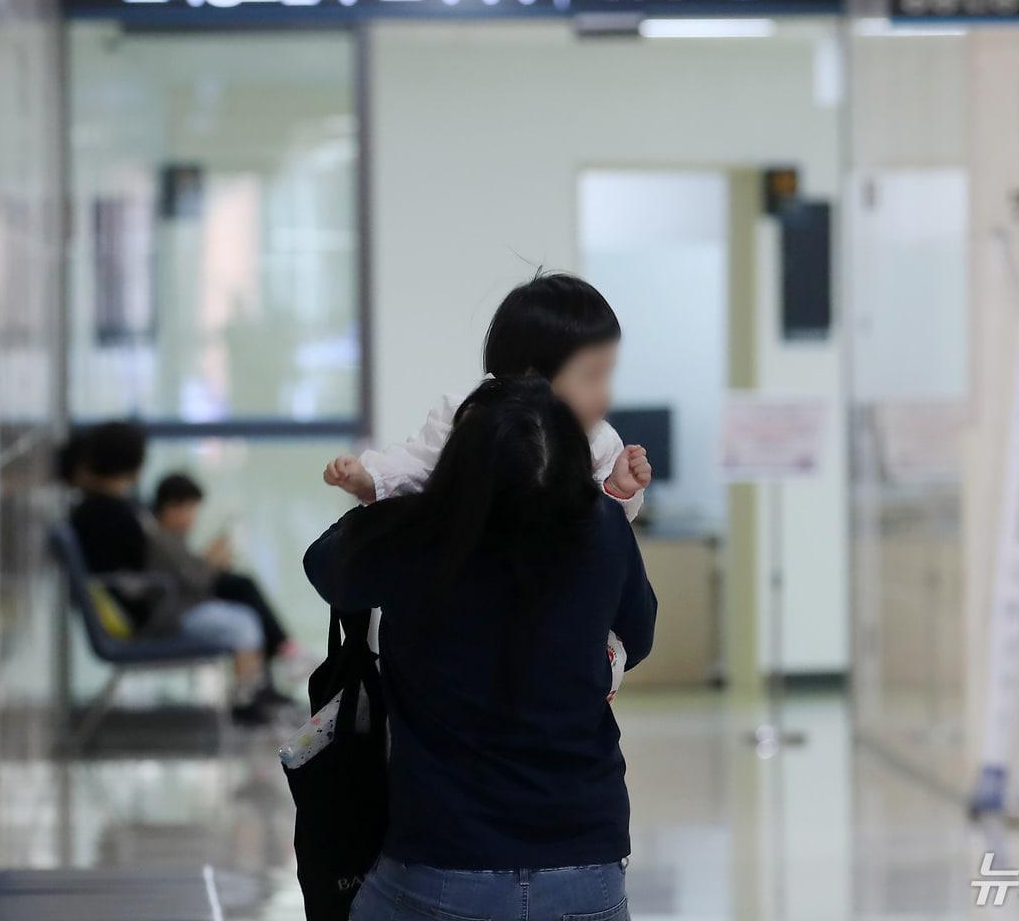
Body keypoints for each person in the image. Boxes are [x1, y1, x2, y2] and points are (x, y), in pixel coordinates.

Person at [304, 376, 657, 921]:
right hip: (586, 865)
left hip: (436, 870)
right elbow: (639, 635)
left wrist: (401, 494)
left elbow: (325, 564)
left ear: (457, 461)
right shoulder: (603, 526)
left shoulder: (417, 536)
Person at [322, 272, 649, 697]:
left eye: (608, 375)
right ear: (533, 377)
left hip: (554, 605)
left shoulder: (599, 440)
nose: (605, 395)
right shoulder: (465, 418)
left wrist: (618, 492)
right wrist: (370, 480)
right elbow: (416, 464)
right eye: (591, 376)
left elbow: (604, 532)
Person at [66, 422, 271, 723]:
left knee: (240, 600)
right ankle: (248, 705)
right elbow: (156, 568)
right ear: (133, 465)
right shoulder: (114, 514)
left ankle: (255, 697)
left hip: (150, 605)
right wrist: (203, 565)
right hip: (153, 614)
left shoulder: (99, 510)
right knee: (243, 623)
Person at [150, 471, 301, 706]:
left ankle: (261, 688)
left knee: (244, 606)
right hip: (177, 615)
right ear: (171, 507)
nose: (192, 518)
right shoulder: (161, 541)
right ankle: (248, 700)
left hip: (184, 609)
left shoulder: (170, 539)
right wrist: (211, 561)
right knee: (243, 623)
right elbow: (193, 581)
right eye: (189, 509)